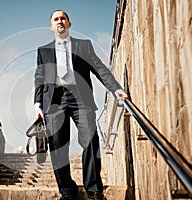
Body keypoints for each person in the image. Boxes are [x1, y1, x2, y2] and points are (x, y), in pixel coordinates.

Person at [33, 10, 128, 200]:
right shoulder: (43, 51)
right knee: (58, 146)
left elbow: (100, 68)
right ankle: (67, 191)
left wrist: (115, 89)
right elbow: (40, 78)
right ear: (51, 26)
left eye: (63, 18)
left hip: (81, 98)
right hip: (54, 101)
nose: (60, 21)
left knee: (90, 140)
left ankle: (93, 189)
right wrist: (37, 105)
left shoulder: (83, 46)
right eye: (56, 19)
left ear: (69, 24)